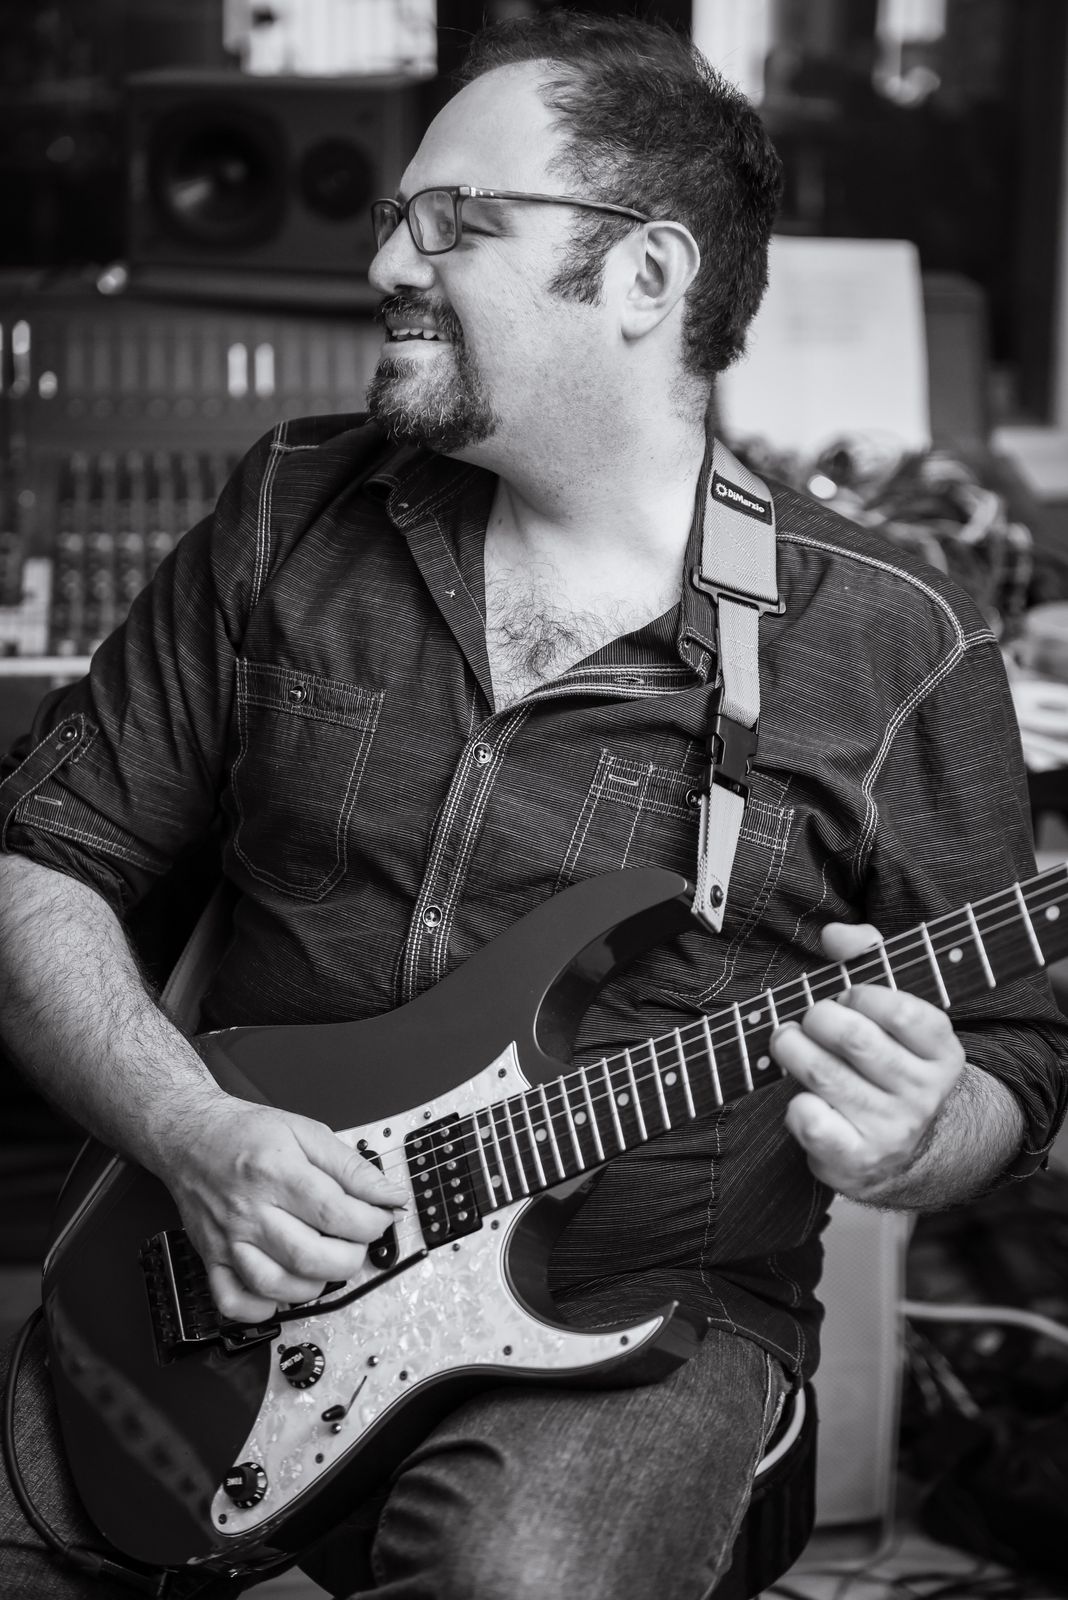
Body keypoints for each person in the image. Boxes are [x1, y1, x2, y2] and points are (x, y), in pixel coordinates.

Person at [0, 11, 1065, 1599]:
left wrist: (925, 1136)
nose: (387, 262)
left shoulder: (893, 641)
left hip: (638, 1318)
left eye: (457, 223)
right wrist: (191, 1129)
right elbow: (41, 862)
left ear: (645, 275)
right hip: (205, 1267)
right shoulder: (292, 510)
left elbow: (1019, 1062)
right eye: (396, 216)